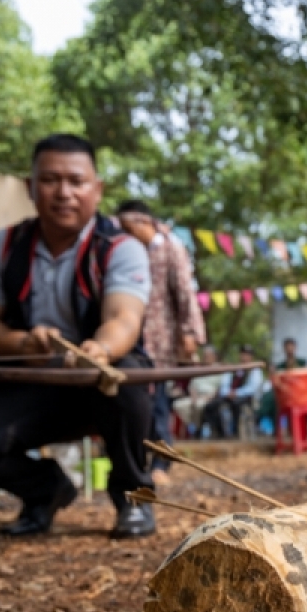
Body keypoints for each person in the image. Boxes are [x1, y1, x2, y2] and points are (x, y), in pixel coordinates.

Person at [0, 134, 156, 539]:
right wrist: (20, 344)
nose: (64, 193)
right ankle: (45, 490)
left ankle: (135, 500)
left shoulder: (121, 247)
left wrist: (100, 349)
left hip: (96, 382)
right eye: (51, 180)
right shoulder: (3, 246)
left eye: (76, 181)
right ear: (30, 187)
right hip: (28, 381)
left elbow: (125, 318)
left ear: (97, 189)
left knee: (126, 379)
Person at [115, 199, 206, 476]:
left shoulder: (171, 248)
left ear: (144, 222)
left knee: (158, 403)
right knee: (134, 401)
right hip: (129, 340)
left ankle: (161, 463)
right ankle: (139, 462)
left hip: (161, 340)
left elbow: (184, 292)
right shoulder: (125, 251)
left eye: (128, 228)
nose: (125, 234)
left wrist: (189, 331)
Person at [204, 345, 264, 437]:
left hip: (246, 398)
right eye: (243, 354)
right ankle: (219, 433)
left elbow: (252, 388)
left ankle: (236, 432)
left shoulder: (255, 370)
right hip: (230, 396)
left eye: (247, 355)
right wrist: (228, 393)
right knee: (211, 406)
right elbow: (224, 384)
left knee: (237, 405)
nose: (244, 357)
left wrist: (236, 393)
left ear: (251, 357)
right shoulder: (234, 368)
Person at [173, 345, 226, 437]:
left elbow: (220, 388)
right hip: (195, 397)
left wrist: (208, 397)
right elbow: (192, 386)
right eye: (205, 355)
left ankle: (197, 429)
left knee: (199, 405)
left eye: (208, 356)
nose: (206, 358)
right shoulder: (199, 368)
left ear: (214, 356)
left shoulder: (220, 369)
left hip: (209, 398)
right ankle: (188, 431)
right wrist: (194, 396)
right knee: (178, 405)